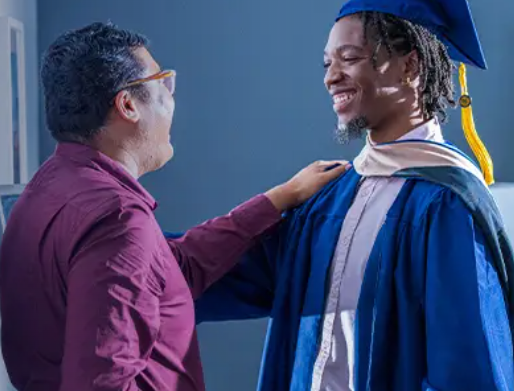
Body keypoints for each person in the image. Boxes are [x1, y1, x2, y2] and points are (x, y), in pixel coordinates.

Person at [194, 0, 514, 390]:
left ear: (411, 66)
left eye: (349, 58)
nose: (330, 77)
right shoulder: (329, 194)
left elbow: (467, 360)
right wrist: (116, 238)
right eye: (327, 63)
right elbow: (211, 272)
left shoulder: (444, 204)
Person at [0, 22, 349, 391]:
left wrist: (278, 199)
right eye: (162, 84)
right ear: (128, 105)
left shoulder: (49, 186)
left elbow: (170, 269)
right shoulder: (117, 222)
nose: (171, 100)